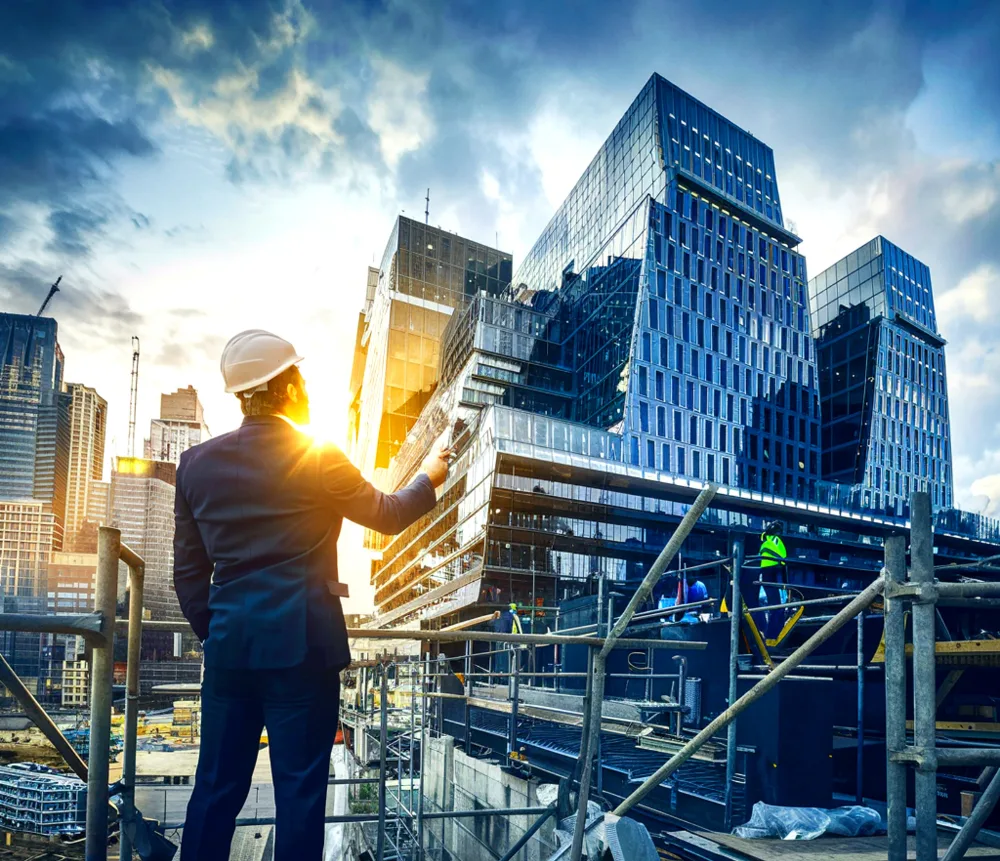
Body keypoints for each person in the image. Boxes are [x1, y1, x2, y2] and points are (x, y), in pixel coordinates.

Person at [173, 330, 451, 860]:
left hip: (230, 655)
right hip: (303, 656)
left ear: (241, 395)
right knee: (300, 798)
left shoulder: (195, 464)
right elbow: (389, 515)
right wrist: (430, 474)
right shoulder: (318, 455)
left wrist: (221, 632)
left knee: (214, 791)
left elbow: (187, 575)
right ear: (291, 388)